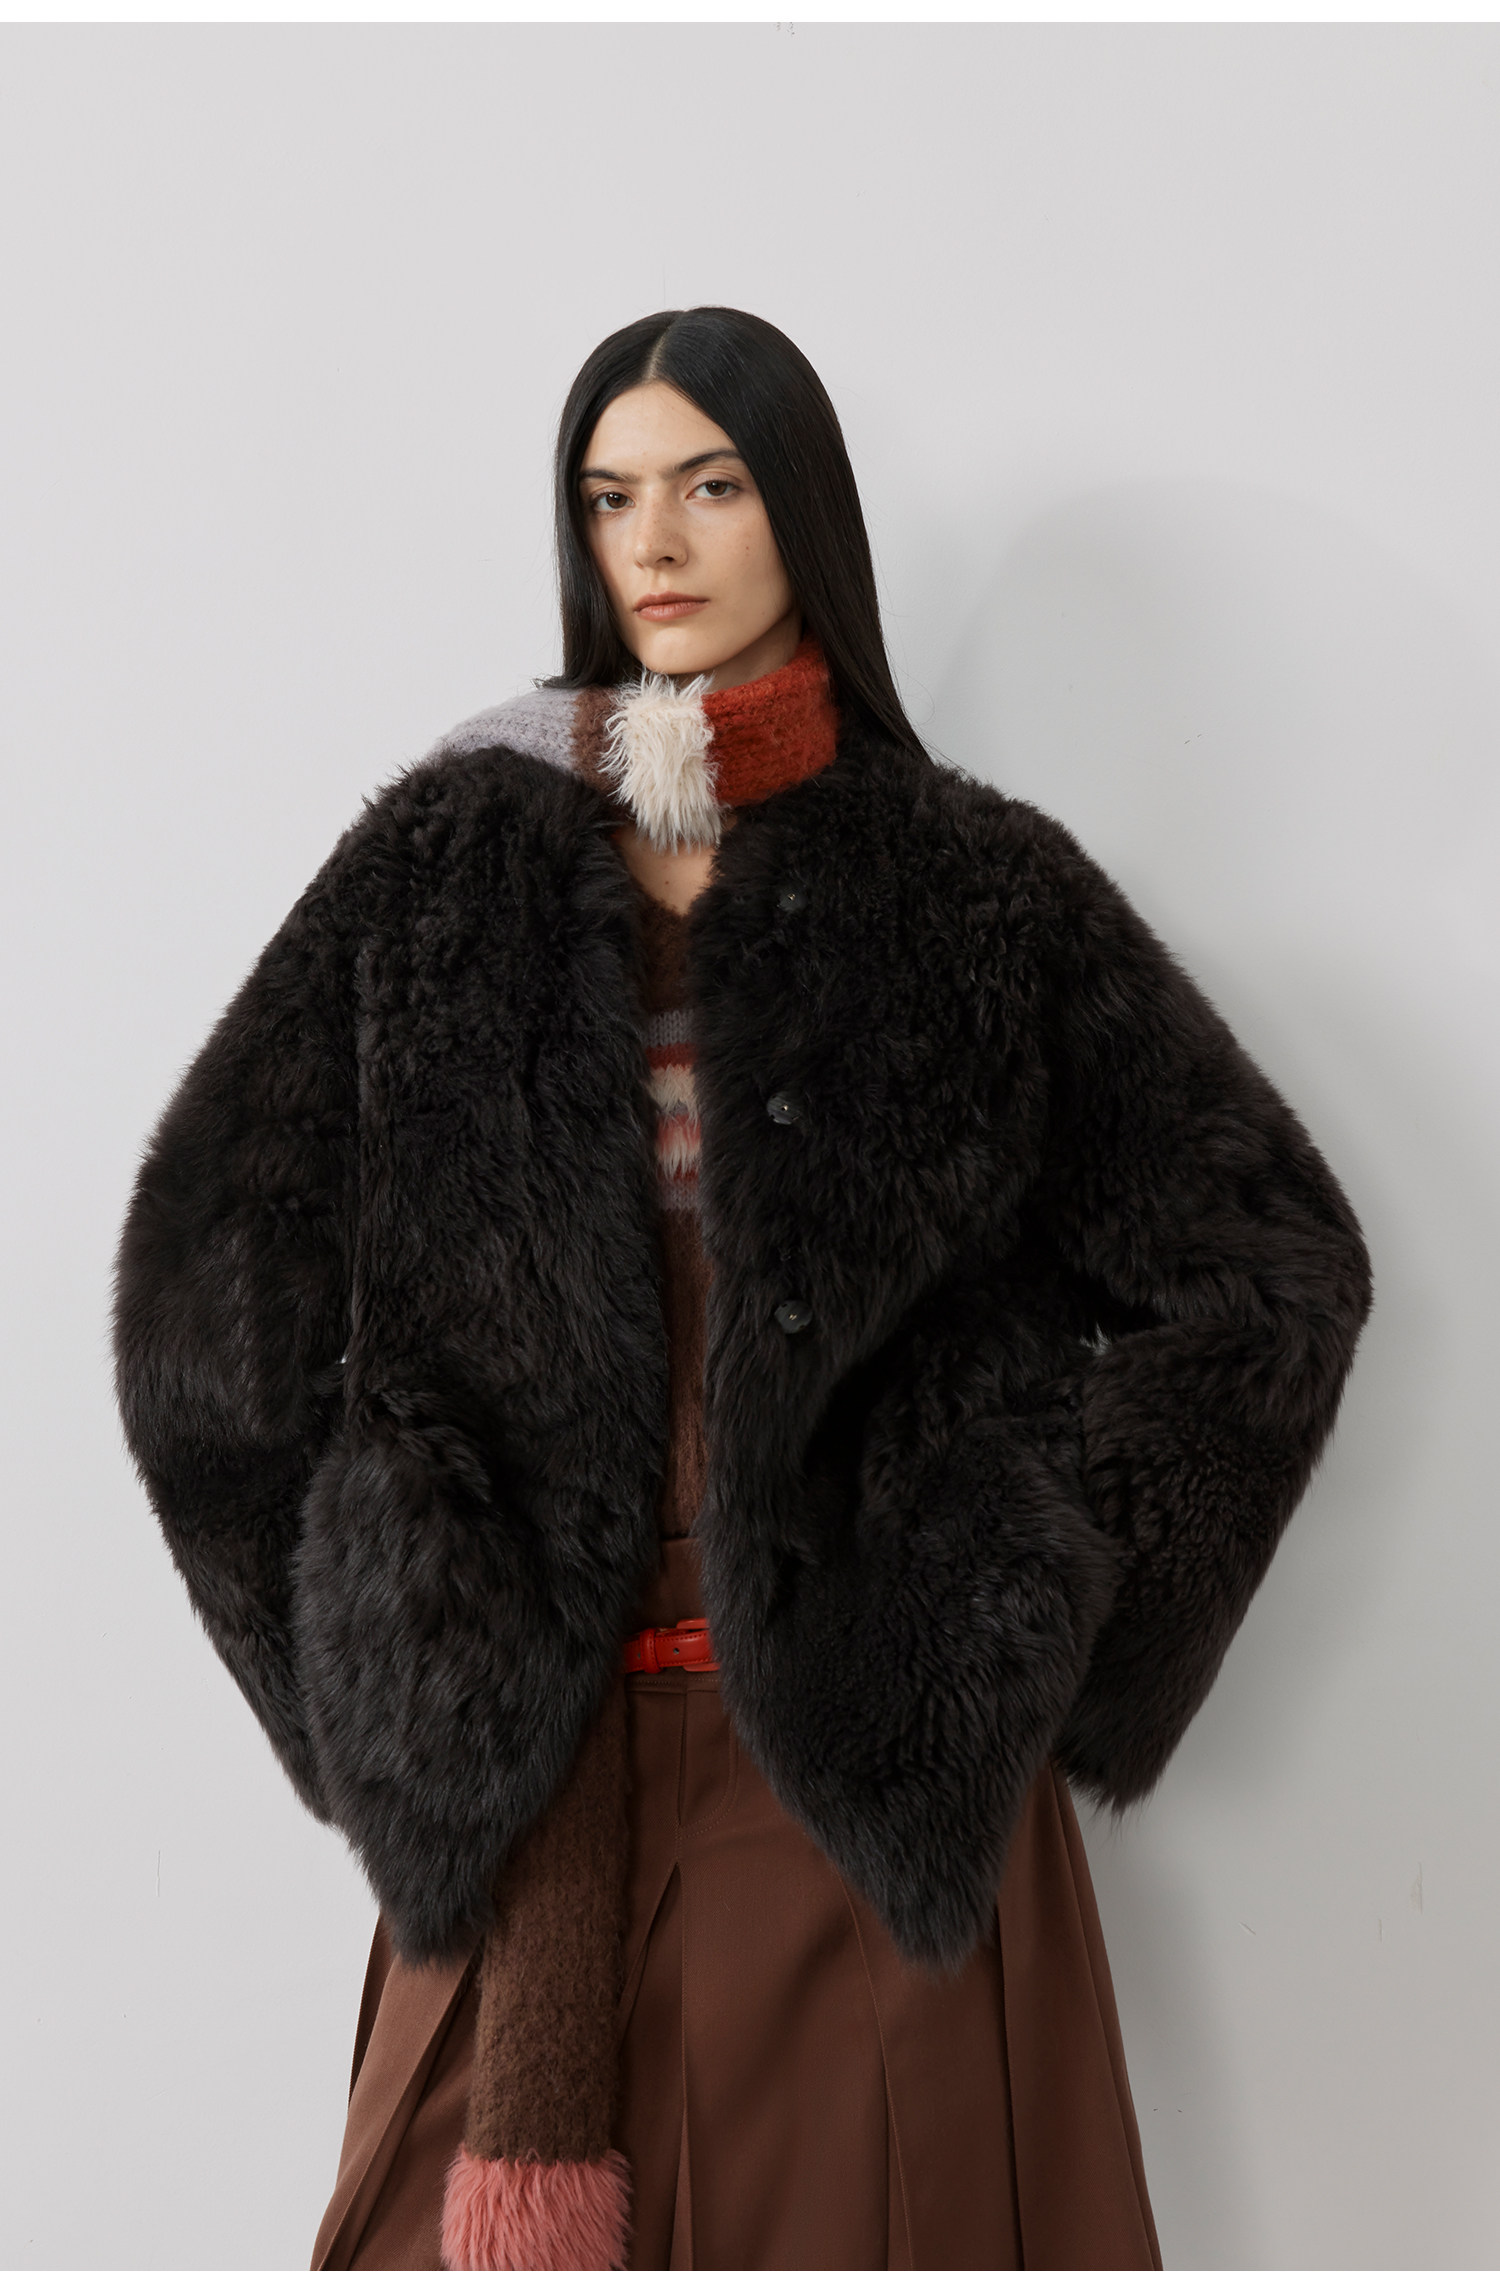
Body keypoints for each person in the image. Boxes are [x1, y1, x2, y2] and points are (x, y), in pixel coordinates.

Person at [112, 306, 1372, 2271]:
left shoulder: (968, 886)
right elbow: (200, 1309)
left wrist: (1024, 1625)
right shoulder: (442, 875)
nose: (656, 540)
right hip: (531, 1794)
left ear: (802, 509)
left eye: (710, 484)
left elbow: (1274, 1274)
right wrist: (378, 1694)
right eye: (610, 495)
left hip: (871, 1789)